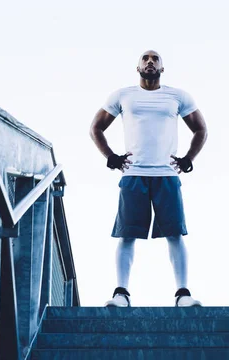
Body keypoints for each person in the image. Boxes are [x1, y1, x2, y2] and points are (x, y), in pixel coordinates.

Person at [89, 50, 208, 307]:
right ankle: (121, 294)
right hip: (133, 174)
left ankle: (182, 295)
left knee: (175, 234)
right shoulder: (123, 95)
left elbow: (200, 128)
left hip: (166, 174)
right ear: (138, 67)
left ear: (162, 68)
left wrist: (188, 158)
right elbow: (95, 127)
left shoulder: (177, 96)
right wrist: (111, 157)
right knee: (127, 235)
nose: (150, 62)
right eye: (145, 59)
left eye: (155, 59)